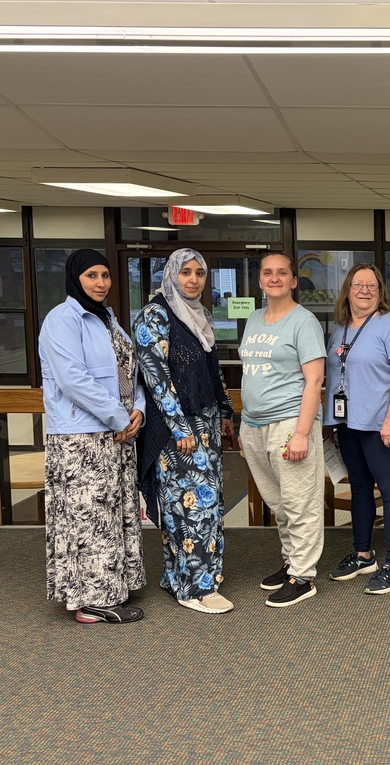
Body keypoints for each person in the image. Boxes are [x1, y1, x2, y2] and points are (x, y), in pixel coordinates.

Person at [38, 248, 146, 623]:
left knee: (113, 512)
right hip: (81, 436)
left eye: (105, 275)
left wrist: (138, 411)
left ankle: (114, 584)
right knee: (88, 517)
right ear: (75, 279)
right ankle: (92, 600)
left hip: (117, 432)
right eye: (91, 276)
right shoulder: (62, 320)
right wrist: (118, 417)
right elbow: (73, 381)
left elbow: (130, 373)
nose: (101, 283)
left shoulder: (108, 320)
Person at [134, 248, 236, 614]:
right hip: (177, 430)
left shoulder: (200, 314)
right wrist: (179, 426)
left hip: (206, 424)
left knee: (205, 504)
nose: (193, 280)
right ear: (171, 275)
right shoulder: (154, 316)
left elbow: (213, 370)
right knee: (193, 509)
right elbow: (155, 376)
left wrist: (225, 412)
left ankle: (177, 575)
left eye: (200, 273)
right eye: (186, 273)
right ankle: (197, 588)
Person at [239, 252, 326, 608]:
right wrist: (246, 429)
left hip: (290, 422)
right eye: (267, 273)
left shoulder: (304, 322)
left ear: (293, 281)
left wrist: (302, 433)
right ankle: (291, 562)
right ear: (260, 281)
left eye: (282, 273)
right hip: (254, 425)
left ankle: (303, 576)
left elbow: (315, 379)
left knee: (300, 501)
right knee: (279, 503)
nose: (274, 278)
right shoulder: (254, 318)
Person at [325, 263, 390, 595]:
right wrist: (328, 422)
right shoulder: (340, 329)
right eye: (358, 284)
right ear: (348, 289)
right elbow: (336, 375)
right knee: (360, 489)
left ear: (381, 292)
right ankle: (363, 554)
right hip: (347, 423)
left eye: (372, 286)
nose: (364, 290)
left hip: (380, 425)